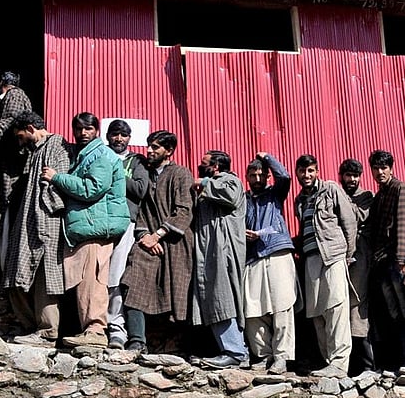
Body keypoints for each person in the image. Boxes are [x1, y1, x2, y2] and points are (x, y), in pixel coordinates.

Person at [43, 112, 129, 348]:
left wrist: (57, 178)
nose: (83, 133)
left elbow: (91, 189)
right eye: (79, 129)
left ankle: (96, 331)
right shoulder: (83, 155)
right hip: (87, 226)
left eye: (88, 129)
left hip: (95, 226)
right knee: (82, 281)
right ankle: (86, 330)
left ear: (96, 131)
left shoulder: (100, 155)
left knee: (93, 280)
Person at [121, 130, 194, 353]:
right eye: (149, 146)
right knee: (132, 281)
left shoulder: (181, 174)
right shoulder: (149, 175)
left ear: (169, 151)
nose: (149, 151)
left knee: (177, 293)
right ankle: (136, 341)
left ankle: (178, 345)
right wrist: (144, 236)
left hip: (176, 244)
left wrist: (159, 234)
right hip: (148, 243)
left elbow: (184, 210)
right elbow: (142, 211)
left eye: (155, 147)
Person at [3, 111, 70, 346]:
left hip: (46, 221)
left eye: (21, 136)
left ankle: (47, 331)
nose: (20, 142)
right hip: (27, 222)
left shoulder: (56, 145)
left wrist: (47, 209)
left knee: (45, 275)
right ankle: (29, 326)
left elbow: (60, 183)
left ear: (31, 128)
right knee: (14, 273)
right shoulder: (35, 151)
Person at [294, 154, 356, 378]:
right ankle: (329, 361)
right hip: (311, 259)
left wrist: (348, 255)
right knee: (317, 312)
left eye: (311, 170)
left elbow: (349, 222)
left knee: (336, 308)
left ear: (317, 171)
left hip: (332, 256)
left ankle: (340, 364)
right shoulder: (299, 200)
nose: (307, 175)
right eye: (302, 171)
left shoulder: (330, 189)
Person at [366, 150, 405, 376]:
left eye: (384, 168)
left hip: (398, 262)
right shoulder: (380, 196)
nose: (380, 172)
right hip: (383, 264)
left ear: (391, 167)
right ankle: (404, 361)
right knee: (396, 314)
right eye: (376, 168)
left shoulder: (402, 189)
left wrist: (402, 258)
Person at [243, 152, 300, 375]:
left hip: (277, 251)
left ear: (267, 176)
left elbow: (284, 176)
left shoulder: (275, 193)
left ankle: (282, 357)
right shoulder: (244, 199)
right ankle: (263, 355)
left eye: (261, 174)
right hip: (253, 256)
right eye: (253, 175)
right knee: (252, 310)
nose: (257, 179)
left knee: (282, 306)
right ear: (246, 176)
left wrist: (266, 157)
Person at [191, 150, 248, 369]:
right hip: (208, 252)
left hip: (223, 251)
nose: (199, 166)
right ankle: (234, 350)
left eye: (203, 163)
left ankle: (234, 351)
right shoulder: (207, 189)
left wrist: (205, 182)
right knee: (213, 298)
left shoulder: (230, 180)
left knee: (223, 297)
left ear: (215, 167)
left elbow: (230, 197)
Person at [0, 71, 32, 286]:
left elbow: (10, 124)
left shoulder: (15, 95)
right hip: (3, 167)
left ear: (2, 83)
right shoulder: (12, 97)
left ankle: (0, 276)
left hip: (9, 170)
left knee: (2, 220)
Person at [104, 119, 148, 349]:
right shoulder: (100, 154)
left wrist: (116, 172)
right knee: (96, 276)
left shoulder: (136, 161)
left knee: (116, 276)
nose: (118, 139)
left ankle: (117, 330)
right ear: (107, 136)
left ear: (129, 138)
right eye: (114, 134)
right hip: (100, 221)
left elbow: (141, 189)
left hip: (127, 222)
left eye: (123, 135)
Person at [338, 158, 375, 375]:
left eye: (355, 176)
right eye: (348, 175)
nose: (352, 179)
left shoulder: (366, 196)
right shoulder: (337, 193)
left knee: (358, 306)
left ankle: (367, 364)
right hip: (340, 256)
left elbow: (356, 216)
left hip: (360, 255)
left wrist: (340, 204)